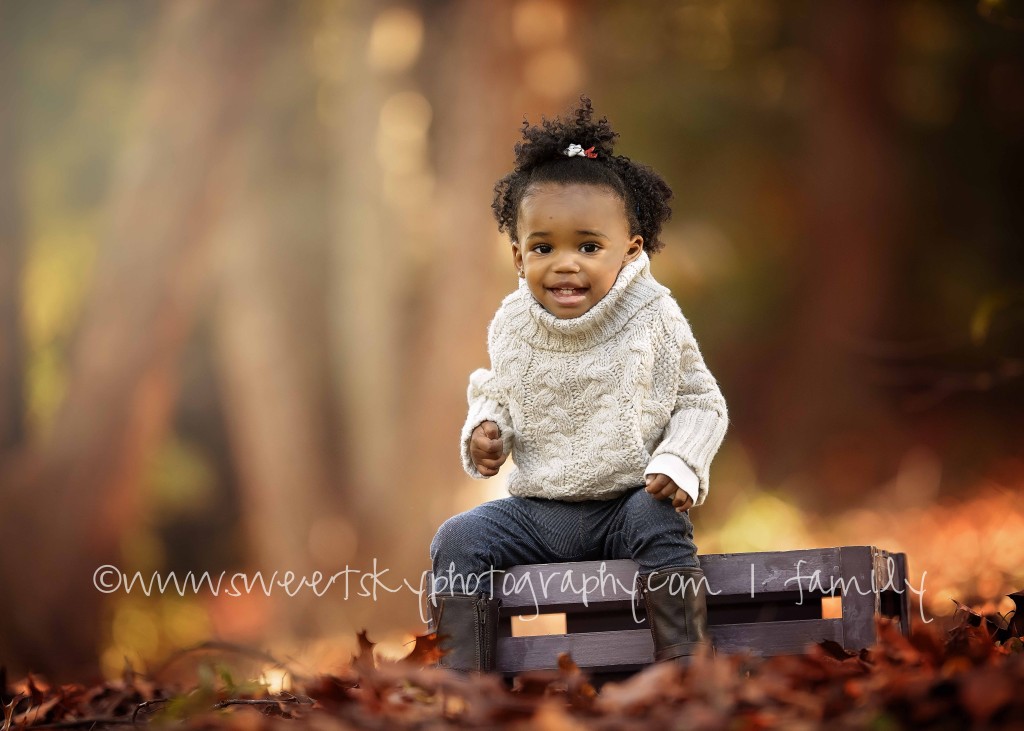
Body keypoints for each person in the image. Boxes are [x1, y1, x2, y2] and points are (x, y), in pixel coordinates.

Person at [428, 95, 729, 673]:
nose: (565, 264)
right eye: (544, 248)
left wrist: (679, 461)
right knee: (457, 538)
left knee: (658, 520)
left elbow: (701, 400)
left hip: (625, 504)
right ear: (518, 257)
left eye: (588, 247)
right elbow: (497, 390)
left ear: (629, 250)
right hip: (541, 512)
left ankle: (684, 667)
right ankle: (464, 681)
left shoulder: (653, 316)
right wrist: (487, 431)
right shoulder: (514, 323)